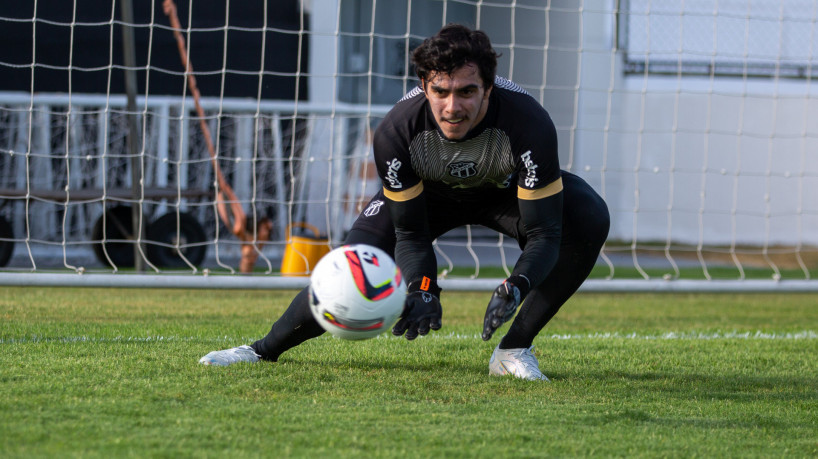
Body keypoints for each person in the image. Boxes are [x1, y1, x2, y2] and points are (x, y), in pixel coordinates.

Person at [199, 23, 609, 381]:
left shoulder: (528, 122)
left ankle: (513, 350)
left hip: (504, 193)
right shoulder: (397, 131)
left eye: (468, 91)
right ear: (424, 87)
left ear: (489, 87)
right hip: (430, 197)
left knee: (587, 215)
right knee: (352, 263)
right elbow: (411, 233)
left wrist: (516, 285)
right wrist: (424, 287)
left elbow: (544, 233)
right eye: (441, 91)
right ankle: (261, 350)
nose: (453, 107)